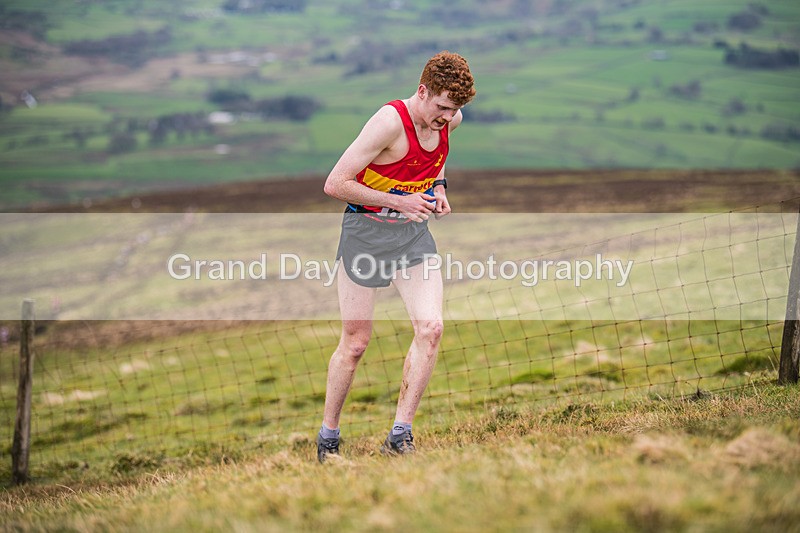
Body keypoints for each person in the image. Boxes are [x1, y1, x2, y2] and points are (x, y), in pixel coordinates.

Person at [316, 51, 476, 462]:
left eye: (453, 110)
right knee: (355, 343)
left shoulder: (450, 121)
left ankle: (400, 435)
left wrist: (438, 188)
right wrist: (398, 201)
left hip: (411, 238)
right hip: (363, 234)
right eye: (440, 107)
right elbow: (335, 184)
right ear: (422, 91)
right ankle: (328, 439)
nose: (446, 118)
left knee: (432, 328)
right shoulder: (389, 122)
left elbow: (438, 156)